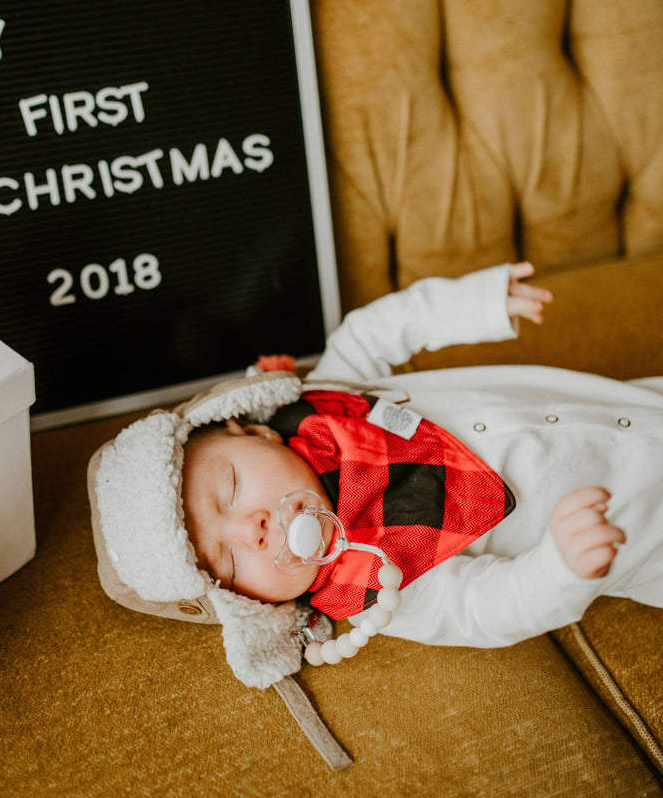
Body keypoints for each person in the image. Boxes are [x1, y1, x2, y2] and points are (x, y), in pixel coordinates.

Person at [93, 262, 663, 689]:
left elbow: (376, 329)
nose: (254, 529)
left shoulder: (331, 400)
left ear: (256, 433)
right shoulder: (376, 588)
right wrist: (559, 569)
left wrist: (475, 304)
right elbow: (484, 609)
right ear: (253, 605)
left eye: (232, 490)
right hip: (643, 534)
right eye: (232, 562)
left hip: (623, 406)